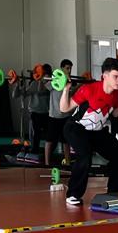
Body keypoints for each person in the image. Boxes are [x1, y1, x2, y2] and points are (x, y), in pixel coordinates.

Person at [62, 57, 118, 208]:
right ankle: (73, 194)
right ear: (105, 76)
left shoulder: (115, 94)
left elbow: (116, 113)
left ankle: (114, 192)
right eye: (116, 77)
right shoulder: (89, 89)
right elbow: (64, 108)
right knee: (84, 155)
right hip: (76, 128)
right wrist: (66, 88)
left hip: (96, 132)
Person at [46, 58, 76, 186]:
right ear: (62, 68)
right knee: (49, 140)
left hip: (66, 115)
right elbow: (44, 86)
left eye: (70, 68)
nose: (69, 71)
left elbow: (74, 93)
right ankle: (46, 164)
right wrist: (45, 77)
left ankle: (68, 163)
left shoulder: (70, 82)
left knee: (66, 141)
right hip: (54, 116)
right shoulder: (54, 80)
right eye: (67, 68)